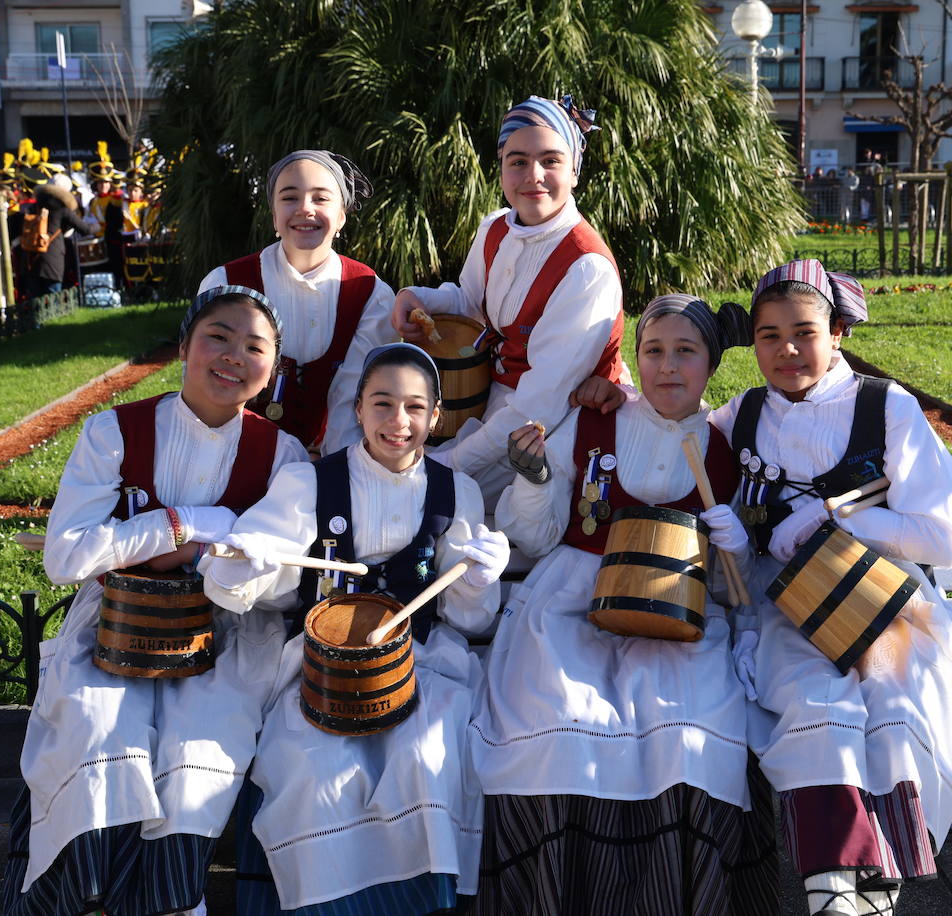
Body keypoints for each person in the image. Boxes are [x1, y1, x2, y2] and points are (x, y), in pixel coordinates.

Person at [2, 287, 309, 916]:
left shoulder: (285, 457)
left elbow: (283, 581)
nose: (233, 356)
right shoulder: (114, 431)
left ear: (272, 370)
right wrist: (180, 523)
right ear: (184, 347)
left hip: (227, 633)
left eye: (255, 347)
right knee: (95, 730)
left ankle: (170, 900)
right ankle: (81, 899)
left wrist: (202, 555)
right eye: (217, 337)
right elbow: (65, 557)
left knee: (196, 750)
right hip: (114, 623)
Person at [471, 295, 778, 914]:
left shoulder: (724, 450)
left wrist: (734, 549)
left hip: (680, 614)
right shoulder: (593, 425)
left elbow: (727, 590)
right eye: (654, 351)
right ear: (636, 360)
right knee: (557, 712)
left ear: (711, 364)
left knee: (688, 730)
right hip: (574, 597)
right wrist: (533, 481)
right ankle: (557, 894)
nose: (668, 367)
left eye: (685, 352)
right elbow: (535, 536)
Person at [710, 259, 952, 916]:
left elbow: (940, 536)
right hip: (787, 608)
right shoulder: (741, 416)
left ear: (837, 331)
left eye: (803, 332)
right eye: (768, 335)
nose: (786, 350)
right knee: (815, 703)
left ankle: (873, 883)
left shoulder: (883, 406)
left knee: (898, 698)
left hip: (887, 604)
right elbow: (670, 435)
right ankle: (835, 887)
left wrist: (841, 515)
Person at [200, 342, 507, 914]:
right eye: (383, 403)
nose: (399, 421)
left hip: (421, 664)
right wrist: (252, 560)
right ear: (358, 409)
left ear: (436, 417)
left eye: (416, 408)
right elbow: (252, 582)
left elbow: (469, 618)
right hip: (319, 668)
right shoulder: (308, 484)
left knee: (427, 757)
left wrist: (478, 579)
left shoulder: (454, 491)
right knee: (314, 769)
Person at [390, 94, 631, 506]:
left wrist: (448, 463)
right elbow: (469, 301)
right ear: (501, 168)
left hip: (553, 426)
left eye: (551, 161)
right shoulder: (496, 228)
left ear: (574, 170)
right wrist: (417, 296)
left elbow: (542, 403)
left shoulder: (586, 268)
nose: (533, 175)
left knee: (428, 493)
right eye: (517, 160)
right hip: (493, 395)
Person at [199, 149, 396, 455]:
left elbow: (358, 397)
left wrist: (336, 474)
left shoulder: (370, 293)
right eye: (289, 197)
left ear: (342, 215)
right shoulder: (226, 284)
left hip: (335, 458)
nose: (305, 208)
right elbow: (206, 391)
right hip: (235, 456)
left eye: (321, 198)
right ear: (274, 214)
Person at [12, 178, 97, 302]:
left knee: (35, 302)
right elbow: (85, 230)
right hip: (52, 261)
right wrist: (98, 226)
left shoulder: (31, 208)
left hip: (30, 259)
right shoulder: (62, 210)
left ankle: (37, 322)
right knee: (53, 300)